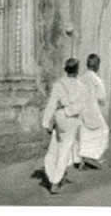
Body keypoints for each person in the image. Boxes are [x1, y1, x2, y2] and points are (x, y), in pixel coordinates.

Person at [42, 57, 87, 194]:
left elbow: (51, 104)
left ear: (66, 69)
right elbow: (80, 106)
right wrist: (69, 110)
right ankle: (55, 181)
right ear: (77, 70)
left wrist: (46, 122)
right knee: (65, 150)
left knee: (54, 146)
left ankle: (52, 173)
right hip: (71, 119)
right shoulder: (81, 87)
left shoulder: (58, 84)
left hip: (59, 117)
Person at [76, 53, 109, 169]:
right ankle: (93, 156)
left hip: (82, 110)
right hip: (92, 109)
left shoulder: (80, 79)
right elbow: (102, 97)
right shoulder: (97, 80)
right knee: (103, 131)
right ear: (97, 66)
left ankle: (82, 158)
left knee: (84, 134)